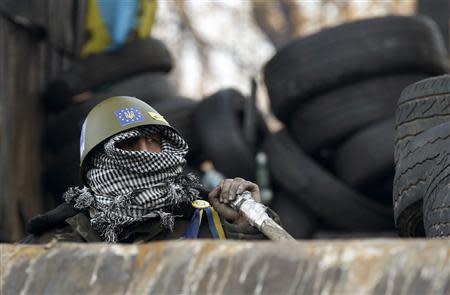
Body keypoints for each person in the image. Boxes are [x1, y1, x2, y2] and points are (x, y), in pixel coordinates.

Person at [23, 96, 277, 243]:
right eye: (129, 143)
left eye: (154, 141)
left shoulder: (210, 223)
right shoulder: (59, 239)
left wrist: (245, 226)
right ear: (97, 160)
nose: (146, 151)